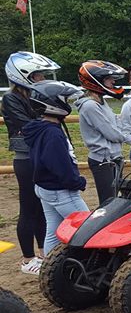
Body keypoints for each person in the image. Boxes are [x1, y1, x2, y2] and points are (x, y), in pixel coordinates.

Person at [3, 52, 57, 273]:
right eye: (37, 75)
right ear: (23, 75)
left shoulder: (34, 96)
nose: (42, 79)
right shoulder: (11, 99)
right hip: (25, 158)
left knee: (42, 206)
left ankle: (42, 252)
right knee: (28, 208)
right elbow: (30, 125)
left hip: (40, 155)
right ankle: (27, 258)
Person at [22, 81, 89, 256]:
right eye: (65, 100)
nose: (68, 104)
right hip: (60, 190)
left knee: (53, 230)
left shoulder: (41, 128)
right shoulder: (53, 133)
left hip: (45, 187)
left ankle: (48, 266)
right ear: (53, 104)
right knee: (88, 227)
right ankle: (90, 267)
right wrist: (77, 182)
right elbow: (59, 165)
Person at [76, 60, 128, 205]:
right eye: (108, 78)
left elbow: (116, 124)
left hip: (113, 157)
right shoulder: (90, 106)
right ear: (96, 81)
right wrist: (125, 136)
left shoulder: (101, 102)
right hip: (103, 160)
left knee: (116, 200)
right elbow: (112, 133)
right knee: (108, 202)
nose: (113, 81)